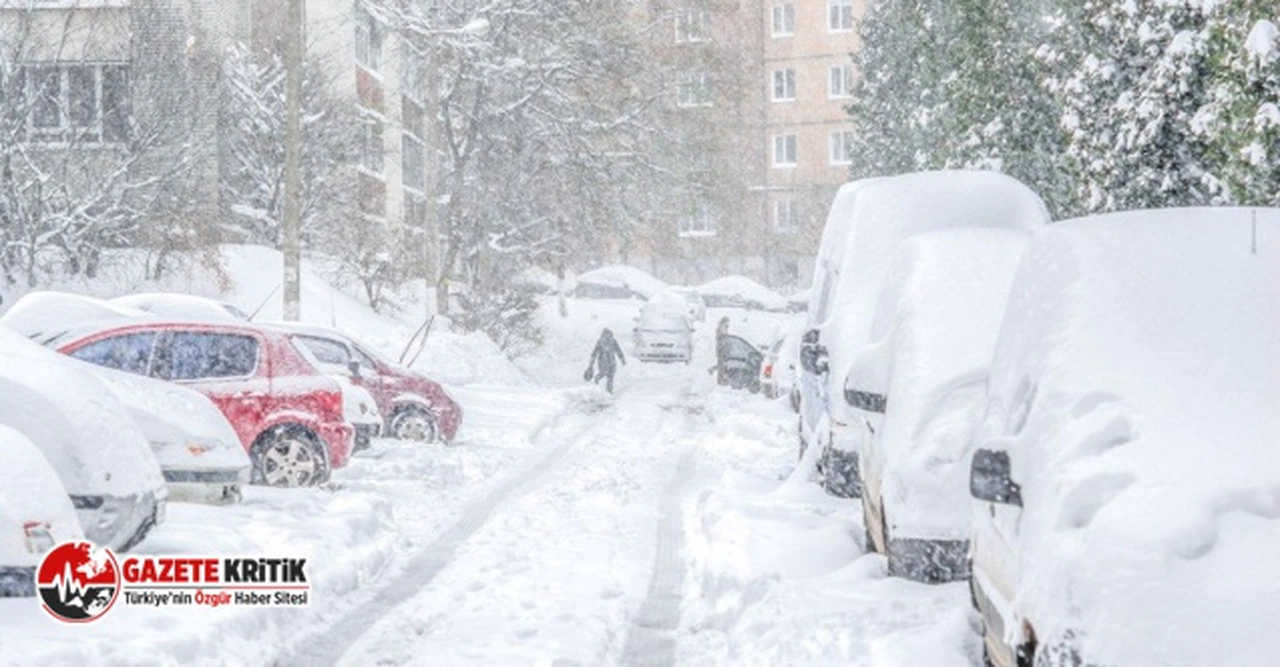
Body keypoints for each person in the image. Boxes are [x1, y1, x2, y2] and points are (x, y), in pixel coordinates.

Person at [585, 328, 626, 394]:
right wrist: (591, 362)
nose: (608, 336)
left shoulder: (613, 341)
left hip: (611, 360)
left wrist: (622, 358)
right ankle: (597, 380)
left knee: (611, 376)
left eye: (609, 335)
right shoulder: (600, 341)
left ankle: (609, 390)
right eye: (607, 334)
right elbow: (595, 352)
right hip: (603, 361)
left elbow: (618, 350)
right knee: (603, 372)